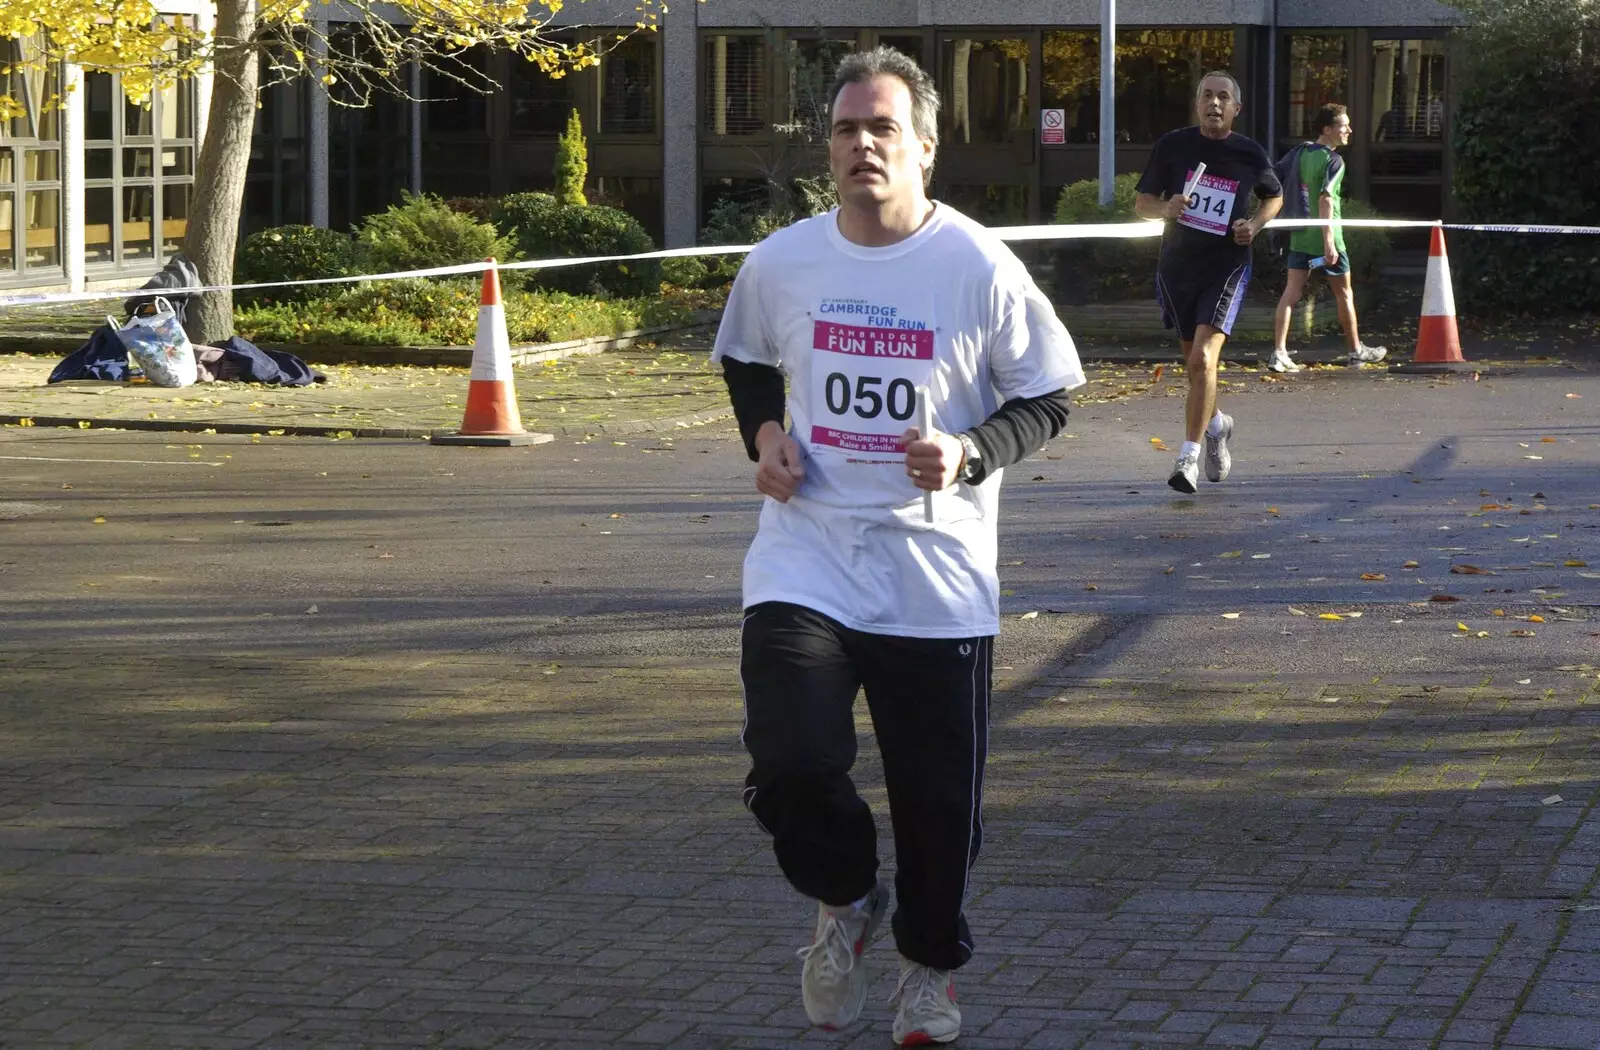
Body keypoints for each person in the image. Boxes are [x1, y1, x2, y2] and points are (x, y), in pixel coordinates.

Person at [711, 45, 1084, 1047]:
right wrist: (766, 437)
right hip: (808, 557)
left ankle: (929, 971)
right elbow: (745, 359)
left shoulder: (974, 265)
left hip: (935, 579)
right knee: (789, 761)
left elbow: (1049, 394)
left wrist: (968, 451)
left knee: (937, 813)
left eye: (882, 128)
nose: (862, 144)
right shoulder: (783, 261)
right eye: (845, 128)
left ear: (924, 146)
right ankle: (844, 897)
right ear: (828, 148)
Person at [1134, 71, 1283, 495]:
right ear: (1196, 104)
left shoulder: (1249, 153)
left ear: (1236, 108)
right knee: (1196, 367)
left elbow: (1275, 195)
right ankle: (1217, 425)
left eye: (1223, 98)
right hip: (1179, 267)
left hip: (1226, 266)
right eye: (1206, 96)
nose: (1214, 104)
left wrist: (1253, 225)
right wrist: (1167, 208)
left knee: (1202, 358)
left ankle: (1187, 457)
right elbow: (1142, 203)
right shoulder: (1173, 146)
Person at [1269, 103, 1387, 373]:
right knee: (1344, 294)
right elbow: (1326, 199)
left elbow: (1274, 176)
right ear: (1327, 129)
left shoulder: (1300, 151)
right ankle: (1356, 352)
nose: (1349, 130)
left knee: (1290, 294)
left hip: (1299, 235)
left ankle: (1279, 352)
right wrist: (1329, 242)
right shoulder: (1335, 161)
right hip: (1328, 238)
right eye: (1343, 125)